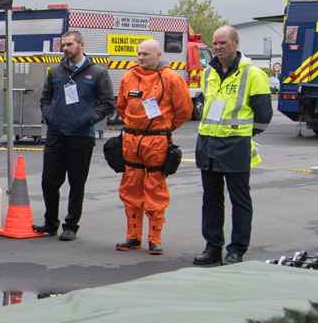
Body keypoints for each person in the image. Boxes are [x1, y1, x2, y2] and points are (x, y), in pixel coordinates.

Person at [192, 25, 272, 265]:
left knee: (239, 200)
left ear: (235, 44)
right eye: (215, 43)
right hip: (208, 142)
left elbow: (263, 116)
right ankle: (212, 247)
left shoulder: (253, 74)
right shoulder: (208, 73)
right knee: (211, 200)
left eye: (222, 43)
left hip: (236, 145)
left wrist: (243, 135)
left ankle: (236, 250)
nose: (217, 48)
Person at [115, 38, 194, 253]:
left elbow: (184, 111)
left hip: (156, 142)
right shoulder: (128, 77)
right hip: (132, 140)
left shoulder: (171, 79)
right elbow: (121, 106)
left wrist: (164, 128)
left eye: (146, 54)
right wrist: (134, 126)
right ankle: (132, 237)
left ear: (158, 56)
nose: (141, 57)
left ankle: (155, 238)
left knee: (155, 190)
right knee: (130, 188)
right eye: (139, 53)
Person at [37, 30, 113, 239]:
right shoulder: (55, 72)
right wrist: (50, 115)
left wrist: (88, 118)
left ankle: (71, 226)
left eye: (69, 44)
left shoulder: (97, 72)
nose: (65, 49)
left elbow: (108, 103)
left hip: (81, 136)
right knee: (49, 181)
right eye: (63, 45)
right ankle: (50, 223)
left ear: (81, 45)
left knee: (77, 182)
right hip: (56, 133)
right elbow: (44, 99)